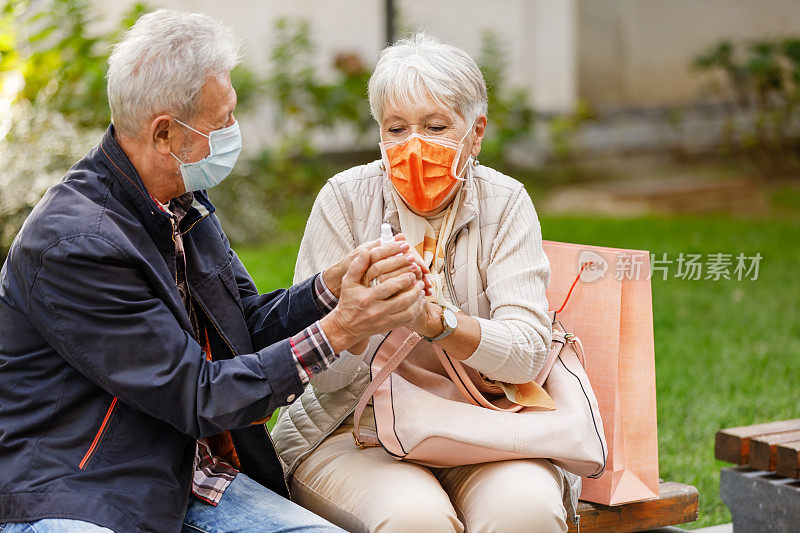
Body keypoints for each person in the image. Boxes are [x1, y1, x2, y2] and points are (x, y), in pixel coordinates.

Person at [0, 10, 431, 533]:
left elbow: (241, 330)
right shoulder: (77, 246)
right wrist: (342, 330)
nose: (234, 130)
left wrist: (330, 289)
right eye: (221, 119)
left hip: (186, 474)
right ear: (164, 134)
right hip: (81, 492)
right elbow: (199, 395)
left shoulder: (181, 201)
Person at [272, 33, 579, 533]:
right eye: (396, 129)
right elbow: (316, 377)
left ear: (475, 133)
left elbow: (526, 355)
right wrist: (353, 320)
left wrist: (438, 322)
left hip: (483, 423)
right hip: (356, 428)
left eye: (435, 126)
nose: (413, 146)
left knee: (527, 511)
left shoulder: (506, 204)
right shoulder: (344, 201)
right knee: (415, 519)